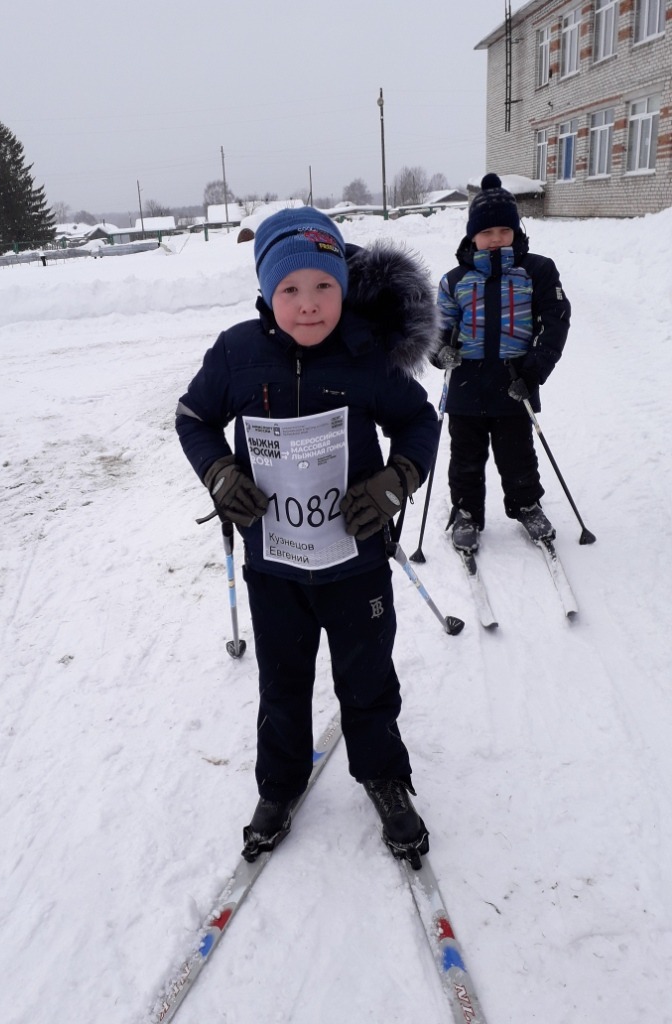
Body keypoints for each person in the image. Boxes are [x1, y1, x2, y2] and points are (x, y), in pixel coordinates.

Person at [176, 207, 440, 869]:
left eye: (324, 285)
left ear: (344, 287)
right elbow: (193, 418)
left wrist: (396, 481)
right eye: (290, 288)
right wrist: (218, 472)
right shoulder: (237, 352)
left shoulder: (366, 354)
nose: (309, 303)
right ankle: (280, 783)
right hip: (275, 568)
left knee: (368, 679)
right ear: (266, 291)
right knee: (283, 683)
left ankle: (384, 776)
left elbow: (419, 424)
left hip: (356, 563)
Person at [434, 173, 571, 552]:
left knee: (517, 454)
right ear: (472, 236)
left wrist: (535, 371)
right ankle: (466, 512)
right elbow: (436, 326)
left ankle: (527, 504)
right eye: (486, 232)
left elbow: (555, 321)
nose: (496, 238)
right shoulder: (454, 280)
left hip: (515, 380)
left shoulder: (537, 271)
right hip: (466, 383)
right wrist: (439, 351)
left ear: (516, 230)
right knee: (465, 456)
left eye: (504, 230)